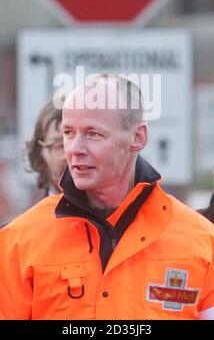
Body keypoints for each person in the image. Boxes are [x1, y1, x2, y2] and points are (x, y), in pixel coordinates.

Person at [0, 75, 214, 320]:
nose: (75, 149)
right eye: (68, 133)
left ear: (138, 137)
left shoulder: (200, 240)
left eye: (93, 134)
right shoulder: (17, 242)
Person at [26, 99, 66, 197]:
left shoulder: (109, 210)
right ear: (39, 155)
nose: (73, 153)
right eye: (60, 145)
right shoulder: (36, 212)